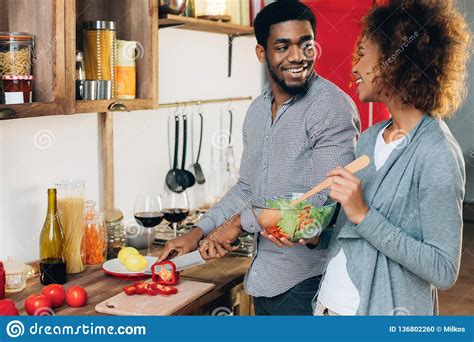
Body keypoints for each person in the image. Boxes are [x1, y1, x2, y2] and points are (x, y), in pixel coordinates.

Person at [159, 0, 360, 315]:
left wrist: (238, 224)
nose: (297, 57)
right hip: (263, 278)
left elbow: (322, 205)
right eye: (282, 47)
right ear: (261, 53)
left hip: (309, 282)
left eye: (305, 46)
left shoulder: (330, 107)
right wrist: (199, 231)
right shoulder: (256, 111)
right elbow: (246, 188)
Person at [310, 0, 471, 315]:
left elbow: (443, 268)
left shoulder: (436, 153)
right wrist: (316, 236)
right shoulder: (370, 139)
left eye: (363, 53)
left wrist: (363, 214)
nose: (354, 68)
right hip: (328, 308)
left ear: (395, 60)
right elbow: (354, 234)